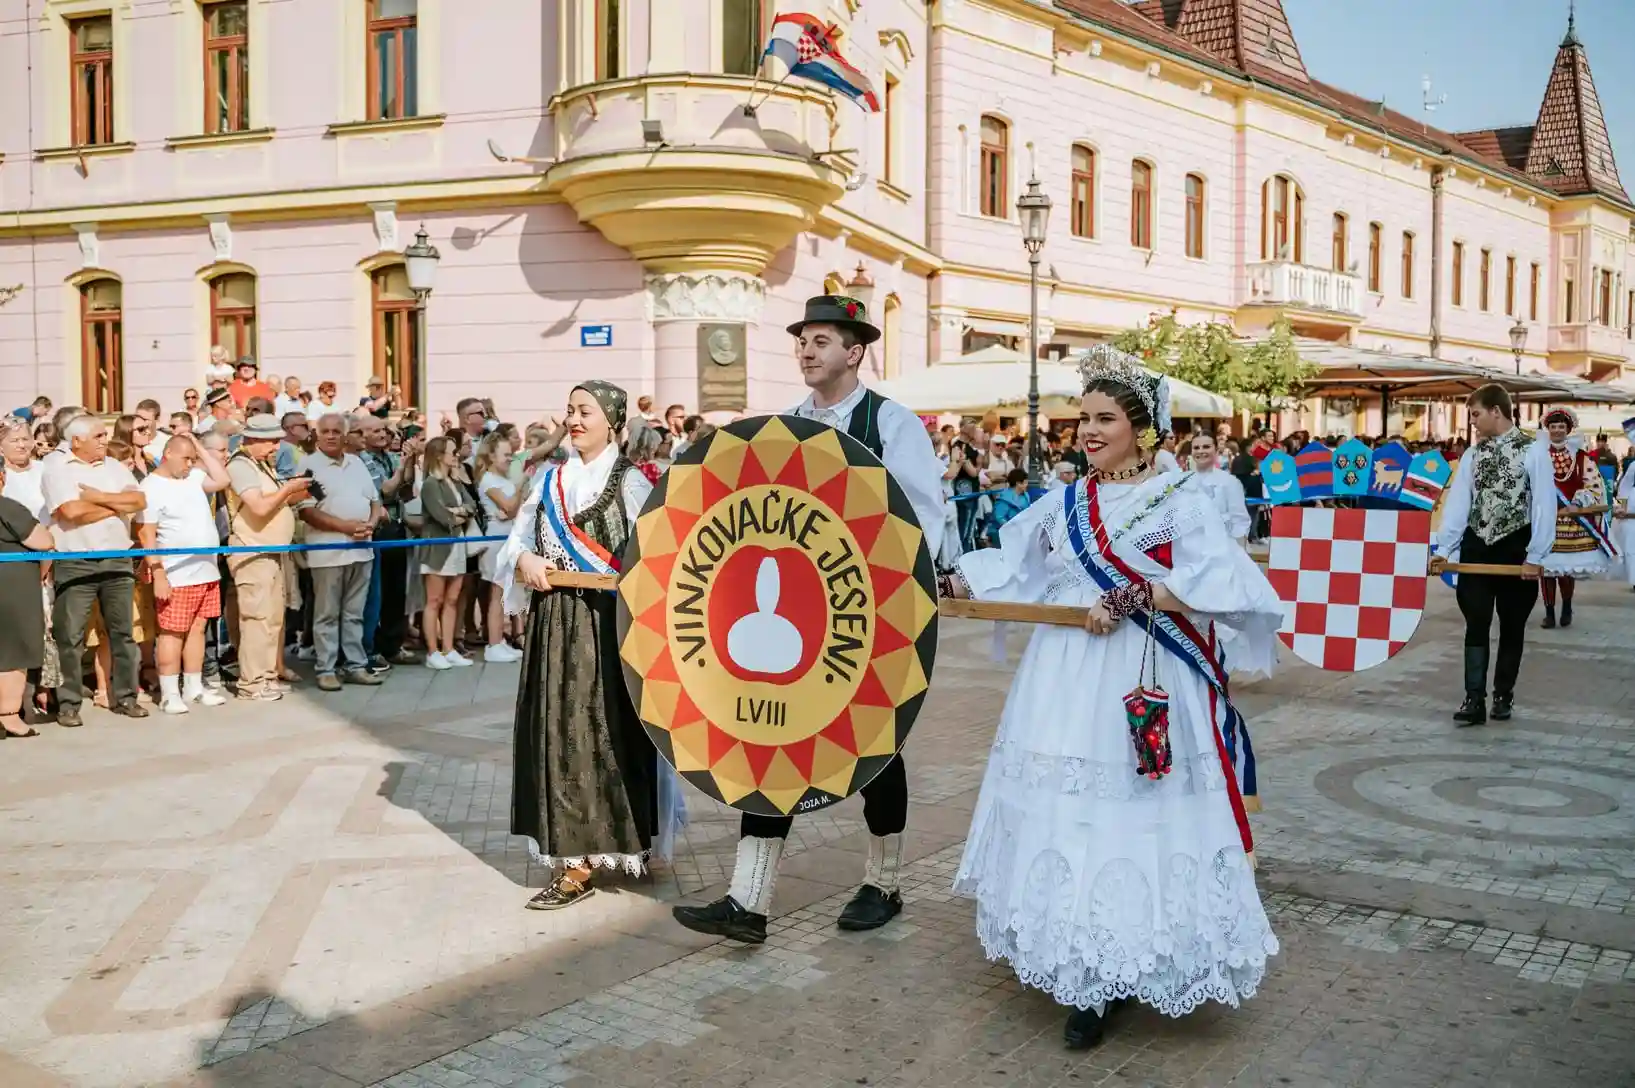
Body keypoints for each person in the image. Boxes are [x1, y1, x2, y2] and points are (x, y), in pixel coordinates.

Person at [941, 345, 1279, 1050]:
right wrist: (960, 582)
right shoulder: (1064, 499)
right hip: (1062, 675)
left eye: (1104, 419)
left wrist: (1140, 593)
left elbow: (1225, 581)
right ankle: (1076, 956)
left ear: (1141, 428)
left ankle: (1123, 961)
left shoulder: (1178, 499)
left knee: (1132, 808)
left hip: (1142, 669)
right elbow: (1018, 566)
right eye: (1083, 419)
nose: (1088, 431)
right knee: (1068, 809)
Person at [673, 294, 947, 944]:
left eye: (821, 341)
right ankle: (748, 901)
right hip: (794, 613)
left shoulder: (891, 424)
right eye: (802, 340)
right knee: (772, 743)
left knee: (876, 749)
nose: (806, 351)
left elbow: (921, 516)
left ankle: (884, 882)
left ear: (855, 352)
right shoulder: (787, 425)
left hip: (873, 620)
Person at [492, 381, 665, 910]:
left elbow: (659, 553)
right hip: (556, 623)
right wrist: (525, 561)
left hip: (611, 626)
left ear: (612, 421)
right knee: (560, 733)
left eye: (585, 411)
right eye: (570, 410)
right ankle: (575, 861)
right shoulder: (549, 480)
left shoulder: (631, 482)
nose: (574, 420)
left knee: (611, 733)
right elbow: (516, 541)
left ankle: (620, 840)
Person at [1431, 384, 1557, 726]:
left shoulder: (1533, 450)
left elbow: (1544, 505)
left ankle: (1503, 694)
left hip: (1517, 548)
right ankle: (1474, 699)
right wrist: (1444, 549)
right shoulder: (1473, 455)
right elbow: (1459, 503)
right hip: (1476, 547)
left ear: (1496, 411)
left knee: (1512, 625)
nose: (1472, 421)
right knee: (1476, 622)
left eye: (1475, 414)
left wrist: (1536, 556)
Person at [42, 416, 150, 727]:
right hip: (77, 561)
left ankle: (126, 697)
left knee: (123, 634)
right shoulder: (57, 469)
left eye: (105, 434)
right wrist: (117, 505)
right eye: (98, 435)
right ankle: (68, 704)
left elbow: (139, 500)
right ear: (76, 441)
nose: (105, 440)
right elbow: (70, 512)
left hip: (118, 559)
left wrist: (96, 497)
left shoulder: (114, 466)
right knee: (71, 637)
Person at [137, 433, 232, 714]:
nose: (190, 464)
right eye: (186, 458)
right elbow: (146, 534)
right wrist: (159, 573)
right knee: (172, 633)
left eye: (193, 458)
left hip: (206, 570)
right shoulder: (150, 487)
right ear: (167, 453)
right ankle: (169, 693)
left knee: (198, 629)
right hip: (176, 573)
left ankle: (193, 687)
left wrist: (198, 447)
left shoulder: (194, 478)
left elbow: (222, 479)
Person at [225, 415, 313, 701]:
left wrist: (299, 491)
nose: (277, 446)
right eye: (272, 441)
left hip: (271, 551)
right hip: (252, 551)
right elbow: (260, 507)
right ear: (252, 439)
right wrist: (288, 489)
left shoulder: (261, 463)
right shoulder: (240, 465)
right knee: (256, 619)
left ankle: (266, 677)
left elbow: (274, 502)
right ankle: (251, 683)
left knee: (273, 619)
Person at [300, 414, 385, 691]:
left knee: (354, 613)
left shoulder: (356, 463)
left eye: (336, 431)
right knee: (326, 613)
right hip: (327, 553)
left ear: (345, 435)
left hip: (362, 550)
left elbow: (374, 501)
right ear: (317, 434)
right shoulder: (308, 465)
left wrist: (370, 524)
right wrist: (346, 527)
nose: (331, 435)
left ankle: (355, 666)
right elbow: (307, 511)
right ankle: (326, 668)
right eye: (325, 431)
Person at [1535, 407, 1614, 628]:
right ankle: (1549, 613)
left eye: (1561, 426)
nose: (1557, 430)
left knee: (1565, 569)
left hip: (1570, 521)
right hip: (1545, 521)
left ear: (1568, 429)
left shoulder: (1581, 457)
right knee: (1545, 569)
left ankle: (1567, 607)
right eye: (1553, 426)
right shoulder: (1538, 455)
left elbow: (1594, 485)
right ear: (1547, 429)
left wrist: (1578, 502)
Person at [0, 455, 55, 737]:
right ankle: (8, 717)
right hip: (12, 590)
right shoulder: (8, 507)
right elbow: (44, 541)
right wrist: (42, 572)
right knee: (13, 652)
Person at [1189, 432, 1251, 545]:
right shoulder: (1182, 482)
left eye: (1206, 447)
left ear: (1216, 450)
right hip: (1189, 549)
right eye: (1196, 448)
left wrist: (1235, 548)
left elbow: (1240, 521)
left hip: (1223, 547)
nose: (1200, 451)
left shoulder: (1230, 482)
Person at [1616, 417, 1635, 591]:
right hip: (1632, 514)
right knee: (1631, 548)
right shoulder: (1633, 466)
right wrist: (1622, 507)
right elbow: (1624, 487)